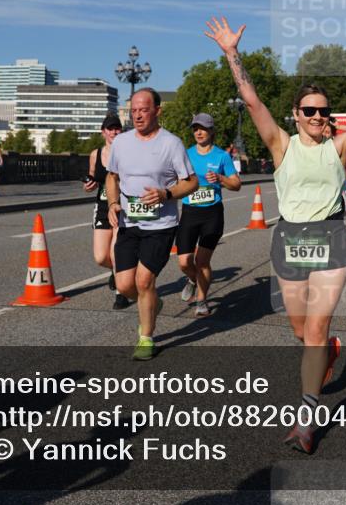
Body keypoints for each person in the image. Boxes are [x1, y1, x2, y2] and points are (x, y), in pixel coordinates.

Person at [205, 15, 346, 454]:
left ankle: (306, 419)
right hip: (288, 239)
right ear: (296, 114)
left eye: (323, 111)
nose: (317, 116)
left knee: (317, 325)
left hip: (330, 238)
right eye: (309, 110)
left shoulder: (340, 146)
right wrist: (232, 53)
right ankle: (328, 351)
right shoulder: (281, 145)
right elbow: (251, 100)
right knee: (300, 330)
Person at [106, 88, 198, 360]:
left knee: (144, 281)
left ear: (157, 110)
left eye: (143, 110)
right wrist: (113, 203)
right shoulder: (121, 142)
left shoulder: (171, 144)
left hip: (160, 224)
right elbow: (111, 177)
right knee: (124, 286)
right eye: (134, 110)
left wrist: (166, 193)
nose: (137, 115)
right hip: (128, 222)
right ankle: (153, 304)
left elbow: (192, 182)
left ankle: (146, 338)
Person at [177, 112, 242, 317]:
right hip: (190, 211)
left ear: (211, 131)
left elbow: (236, 184)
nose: (199, 132)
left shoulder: (221, 156)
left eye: (203, 128)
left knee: (202, 261)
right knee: (185, 262)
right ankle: (192, 279)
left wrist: (221, 178)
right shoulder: (185, 154)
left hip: (212, 214)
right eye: (195, 128)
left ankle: (202, 300)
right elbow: (176, 180)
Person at [84, 113, 126, 309]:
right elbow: (92, 176)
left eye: (117, 128)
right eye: (110, 128)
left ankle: (121, 293)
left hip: (121, 206)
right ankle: (116, 272)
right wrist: (89, 185)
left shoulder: (128, 151)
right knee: (101, 257)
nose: (114, 131)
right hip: (101, 207)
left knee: (116, 251)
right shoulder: (96, 154)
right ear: (104, 132)